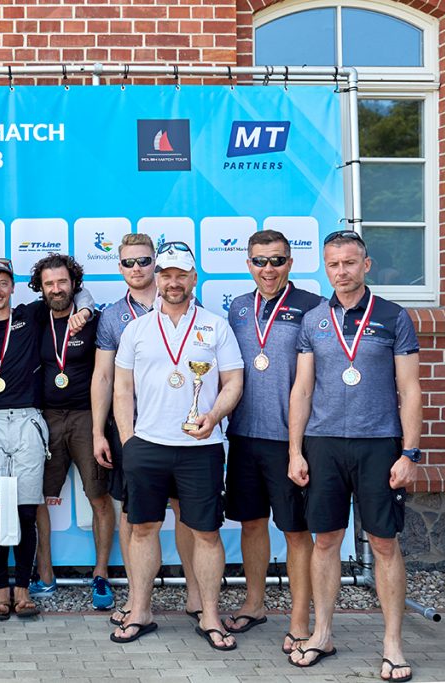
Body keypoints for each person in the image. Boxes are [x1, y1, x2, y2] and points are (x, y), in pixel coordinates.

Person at [288, 230, 421, 682]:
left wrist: (410, 452)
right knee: (325, 540)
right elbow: (302, 389)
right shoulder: (314, 319)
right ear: (325, 267)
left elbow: (410, 389)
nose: (341, 271)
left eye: (349, 263)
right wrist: (295, 450)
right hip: (323, 444)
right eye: (333, 264)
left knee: (384, 543)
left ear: (366, 265)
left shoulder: (394, 316)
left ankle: (392, 644)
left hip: (378, 444)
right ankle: (322, 634)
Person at [111, 241, 243, 650]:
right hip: (147, 446)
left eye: (180, 275)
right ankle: (140, 610)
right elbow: (122, 389)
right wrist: (129, 441)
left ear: (193, 278)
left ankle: (210, 615)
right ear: (157, 277)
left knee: (206, 533)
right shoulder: (136, 329)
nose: (172, 282)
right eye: (166, 274)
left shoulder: (215, 326)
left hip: (201, 447)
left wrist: (214, 416)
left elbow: (233, 381)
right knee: (142, 529)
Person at [91, 233, 203, 627]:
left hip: (183, 430)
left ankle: (196, 595)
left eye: (143, 261)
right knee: (133, 515)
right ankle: (138, 601)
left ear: (156, 264)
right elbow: (104, 378)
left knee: (186, 512)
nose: (136, 268)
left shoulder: (188, 305)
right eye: (128, 262)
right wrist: (99, 432)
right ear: (119, 267)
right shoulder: (112, 316)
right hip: (133, 431)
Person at [0, 258, 92, 620]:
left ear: (14, 287)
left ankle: (23, 589)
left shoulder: (31, 314)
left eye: (3, 283)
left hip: (28, 418)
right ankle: (0, 589)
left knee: (26, 509)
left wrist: (85, 311)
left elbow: (73, 293)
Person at [225, 230, 322, 652]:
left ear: (290, 263)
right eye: (260, 261)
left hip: (290, 440)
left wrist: (300, 444)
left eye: (277, 260)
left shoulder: (313, 307)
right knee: (251, 523)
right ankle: (254, 604)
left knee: (296, 531)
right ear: (248, 264)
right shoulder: (237, 307)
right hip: (244, 435)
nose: (268, 269)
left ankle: (299, 620)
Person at [29, 253, 115, 611]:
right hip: (47, 417)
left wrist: (87, 307)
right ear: (40, 287)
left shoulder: (93, 319)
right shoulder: (34, 316)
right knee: (36, 496)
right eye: (49, 283)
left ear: (74, 283)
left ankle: (101, 573)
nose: (56, 289)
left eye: (62, 281)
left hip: (87, 417)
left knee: (98, 496)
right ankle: (45, 572)